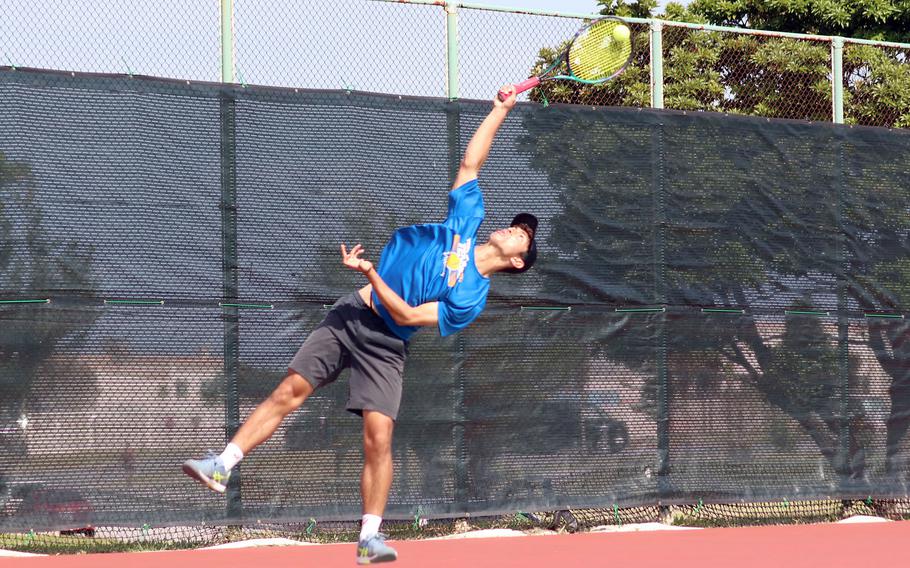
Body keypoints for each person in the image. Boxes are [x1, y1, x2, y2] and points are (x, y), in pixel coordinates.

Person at [182, 85, 538, 565]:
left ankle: (370, 537)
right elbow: (471, 164)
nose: (517, 229)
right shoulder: (466, 221)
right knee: (289, 390)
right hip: (351, 313)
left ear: (517, 263)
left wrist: (372, 273)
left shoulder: (472, 296)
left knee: (379, 436)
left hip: (387, 344)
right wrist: (499, 111)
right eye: (517, 224)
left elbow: (410, 316)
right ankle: (222, 465)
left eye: (525, 236)